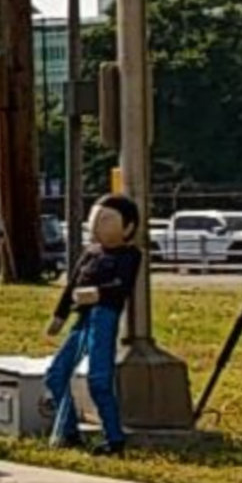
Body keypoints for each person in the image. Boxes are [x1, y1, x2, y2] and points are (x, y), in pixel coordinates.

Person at [43, 192, 144, 455]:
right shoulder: (90, 254)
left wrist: (97, 293)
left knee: (99, 380)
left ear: (129, 227)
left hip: (105, 317)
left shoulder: (130, 255)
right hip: (82, 319)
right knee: (56, 373)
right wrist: (59, 316)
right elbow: (71, 287)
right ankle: (68, 430)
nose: (98, 225)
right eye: (95, 218)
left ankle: (114, 438)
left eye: (107, 220)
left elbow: (122, 286)